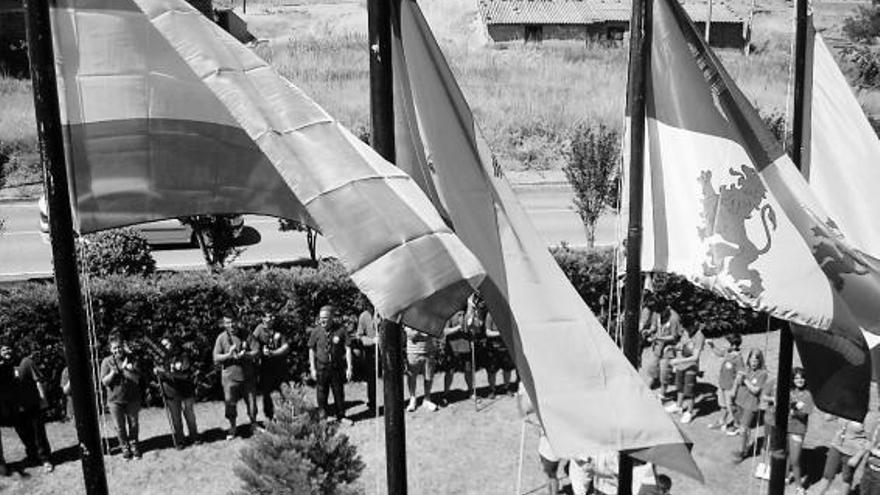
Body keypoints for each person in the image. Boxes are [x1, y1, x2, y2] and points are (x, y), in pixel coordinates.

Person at [0, 344, 53, 473]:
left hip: (32, 404)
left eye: (8, 348)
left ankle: (45, 459)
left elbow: (38, 381)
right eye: (3, 350)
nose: (7, 351)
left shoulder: (26, 362)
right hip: (15, 410)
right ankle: (33, 457)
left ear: (14, 349)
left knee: (38, 434)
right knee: (25, 436)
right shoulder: (2, 368)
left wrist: (43, 399)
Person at [213, 313, 260, 439]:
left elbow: (257, 350)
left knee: (252, 402)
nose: (231, 325)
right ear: (224, 324)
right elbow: (216, 358)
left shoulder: (246, 334)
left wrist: (247, 354)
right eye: (227, 322)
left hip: (247, 376)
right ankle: (232, 427)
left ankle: (253, 424)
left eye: (233, 322)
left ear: (237, 321)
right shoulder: (221, 338)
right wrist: (228, 355)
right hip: (229, 378)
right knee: (230, 403)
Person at [100, 333, 143, 460]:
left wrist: (127, 370)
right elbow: (104, 382)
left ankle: (134, 445)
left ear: (123, 347)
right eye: (114, 348)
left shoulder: (132, 359)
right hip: (114, 400)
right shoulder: (106, 362)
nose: (117, 350)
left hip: (132, 398)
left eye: (119, 347)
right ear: (110, 349)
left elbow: (137, 380)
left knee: (134, 424)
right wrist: (113, 372)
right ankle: (124, 447)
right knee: (119, 427)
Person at [308, 305, 353, 422]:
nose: (322, 320)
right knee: (321, 392)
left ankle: (341, 416)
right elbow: (311, 349)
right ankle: (323, 417)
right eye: (321, 318)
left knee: (338, 392)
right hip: (321, 367)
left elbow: (348, 348)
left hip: (336, 367)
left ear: (332, 317)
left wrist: (349, 367)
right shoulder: (316, 331)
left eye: (325, 318)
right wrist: (312, 368)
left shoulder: (341, 330)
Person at [155, 337, 199, 448]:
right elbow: (159, 371)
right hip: (170, 392)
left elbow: (185, 374)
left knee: (189, 415)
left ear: (172, 344)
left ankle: (194, 437)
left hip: (185, 390)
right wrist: (157, 372)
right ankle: (180, 440)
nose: (164, 347)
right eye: (162, 346)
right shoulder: (160, 358)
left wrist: (168, 373)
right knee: (176, 418)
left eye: (167, 344)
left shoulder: (182, 355)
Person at [516, 383, 558, 495]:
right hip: (546, 445)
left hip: (550, 448)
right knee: (549, 473)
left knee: (551, 473)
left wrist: (528, 419)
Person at [813, 416, 869, 495]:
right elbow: (827, 418)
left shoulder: (866, 415)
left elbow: (870, 440)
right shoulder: (844, 409)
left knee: (846, 479)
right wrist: (832, 409)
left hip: (852, 452)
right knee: (827, 475)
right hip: (836, 447)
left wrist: (857, 457)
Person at [252, 311, 291, 422]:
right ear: (263, 318)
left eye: (273, 316)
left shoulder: (279, 328)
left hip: (280, 367)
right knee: (267, 394)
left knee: (285, 392)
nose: (273, 318)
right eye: (270, 316)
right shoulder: (259, 330)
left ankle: (286, 417)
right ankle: (269, 417)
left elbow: (286, 347)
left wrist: (273, 353)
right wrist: (260, 351)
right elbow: (252, 343)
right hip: (266, 369)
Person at [639, 299, 682, 398]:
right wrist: (649, 331)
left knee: (664, 372)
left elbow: (674, 337)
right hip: (657, 347)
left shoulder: (674, 318)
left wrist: (658, 338)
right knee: (653, 368)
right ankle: (647, 389)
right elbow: (654, 326)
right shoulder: (656, 313)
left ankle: (662, 394)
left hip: (668, 349)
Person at [732, 348, 768, 463]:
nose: (754, 362)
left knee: (743, 429)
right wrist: (737, 381)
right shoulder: (745, 369)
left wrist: (745, 380)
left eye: (756, 360)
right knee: (743, 428)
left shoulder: (762, 373)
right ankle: (746, 446)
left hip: (751, 405)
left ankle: (742, 452)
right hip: (739, 401)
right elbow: (737, 383)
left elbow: (755, 390)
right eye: (752, 359)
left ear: (760, 361)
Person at [665, 321, 705, 424]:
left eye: (687, 329)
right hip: (680, 366)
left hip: (690, 367)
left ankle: (689, 412)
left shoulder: (699, 336)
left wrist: (678, 361)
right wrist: (673, 347)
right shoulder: (686, 332)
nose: (685, 331)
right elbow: (681, 344)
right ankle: (678, 406)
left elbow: (695, 357)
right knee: (679, 387)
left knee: (690, 391)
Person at [706, 333, 743, 433]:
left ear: (733, 345)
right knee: (722, 405)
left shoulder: (738, 358)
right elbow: (719, 353)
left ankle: (737, 425)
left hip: (730, 387)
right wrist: (712, 346)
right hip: (722, 384)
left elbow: (740, 375)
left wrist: (735, 389)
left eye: (726, 343)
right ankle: (722, 421)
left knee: (731, 406)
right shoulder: (727, 352)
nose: (723, 344)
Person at [787, 368, 814, 494]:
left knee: (795, 459)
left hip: (797, 430)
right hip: (785, 427)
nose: (800, 380)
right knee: (786, 454)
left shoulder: (808, 394)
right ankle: (786, 476)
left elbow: (804, 414)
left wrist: (793, 410)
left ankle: (799, 486)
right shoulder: (790, 391)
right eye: (797, 378)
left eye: (802, 377)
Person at [440, 309, 473, 405]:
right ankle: (446, 394)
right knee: (449, 372)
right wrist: (458, 328)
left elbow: (475, 329)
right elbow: (444, 331)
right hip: (452, 348)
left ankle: (471, 391)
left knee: (469, 371)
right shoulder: (449, 314)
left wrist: (473, 326)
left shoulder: (468, 315)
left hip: (466, 347)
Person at [404, 325, 438, 412]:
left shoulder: (429, 319)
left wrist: (421, 333)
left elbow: (434, 333)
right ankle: (412, 399)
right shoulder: (410, 319)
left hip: (428, 351)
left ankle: (427, 399)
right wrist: (422, 332)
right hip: (413, 352)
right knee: (412, 377)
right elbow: (411, 336)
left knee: (428, 376)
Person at [352, 301, 378, 413]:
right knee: (371, 380)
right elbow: (359, 336)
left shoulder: (383, 313)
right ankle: (372, 403)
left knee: (388, 377)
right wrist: (371, 341)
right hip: (370, 353)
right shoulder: (363, 316)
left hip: (384, 351)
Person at [484, 312, 516, 398]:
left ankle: (507, 387)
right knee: (492, 371)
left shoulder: (506, 313)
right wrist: (501, 333)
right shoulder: (490, 314)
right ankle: (492, 390)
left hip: (506, 347)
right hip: (493, 348)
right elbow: (488, 332)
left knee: (507, 369)